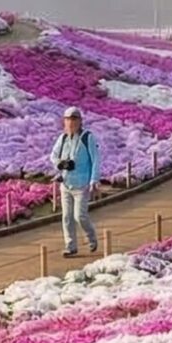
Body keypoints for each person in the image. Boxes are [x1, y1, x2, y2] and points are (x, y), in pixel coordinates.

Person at [50, 107, 102, 255]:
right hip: (66, 182)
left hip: (82, 184)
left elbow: (95, 159)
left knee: (80, 216)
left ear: (80, 121)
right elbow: (53, 155)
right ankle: (70, 246)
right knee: (66, 217)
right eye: (68, 120)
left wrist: (94, 180)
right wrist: (60, 164)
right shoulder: (63, 138)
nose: (71, 123)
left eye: (74, 119)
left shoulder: (87, 137)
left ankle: (91, 237)